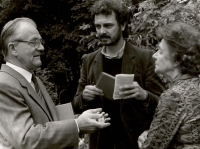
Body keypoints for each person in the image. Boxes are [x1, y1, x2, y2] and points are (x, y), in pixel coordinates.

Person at [0, 17, 110, 149]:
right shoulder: (4, 85)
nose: (41, 47)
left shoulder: (33, 79)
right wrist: (76, 125)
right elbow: (26, 139)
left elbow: (48, 120)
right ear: (13, 49)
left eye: (40, 41)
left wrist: (82, 120)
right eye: (34, 42)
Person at [72, 0, 166, 148]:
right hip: (101, 143)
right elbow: (76, 105)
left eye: (108, 25)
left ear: (122, 25)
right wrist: (84, 96)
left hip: (135, 142)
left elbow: (164, 105)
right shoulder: (88, 60)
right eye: (98, 26)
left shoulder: (145, 58)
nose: (102, 31)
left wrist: (144, 95)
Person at [138, 22, 200, 149]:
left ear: (177, 59)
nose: (154, 56)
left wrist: (144, 140)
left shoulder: (174, 95)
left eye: (160, 52)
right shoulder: (195, 85)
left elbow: (152, 147)